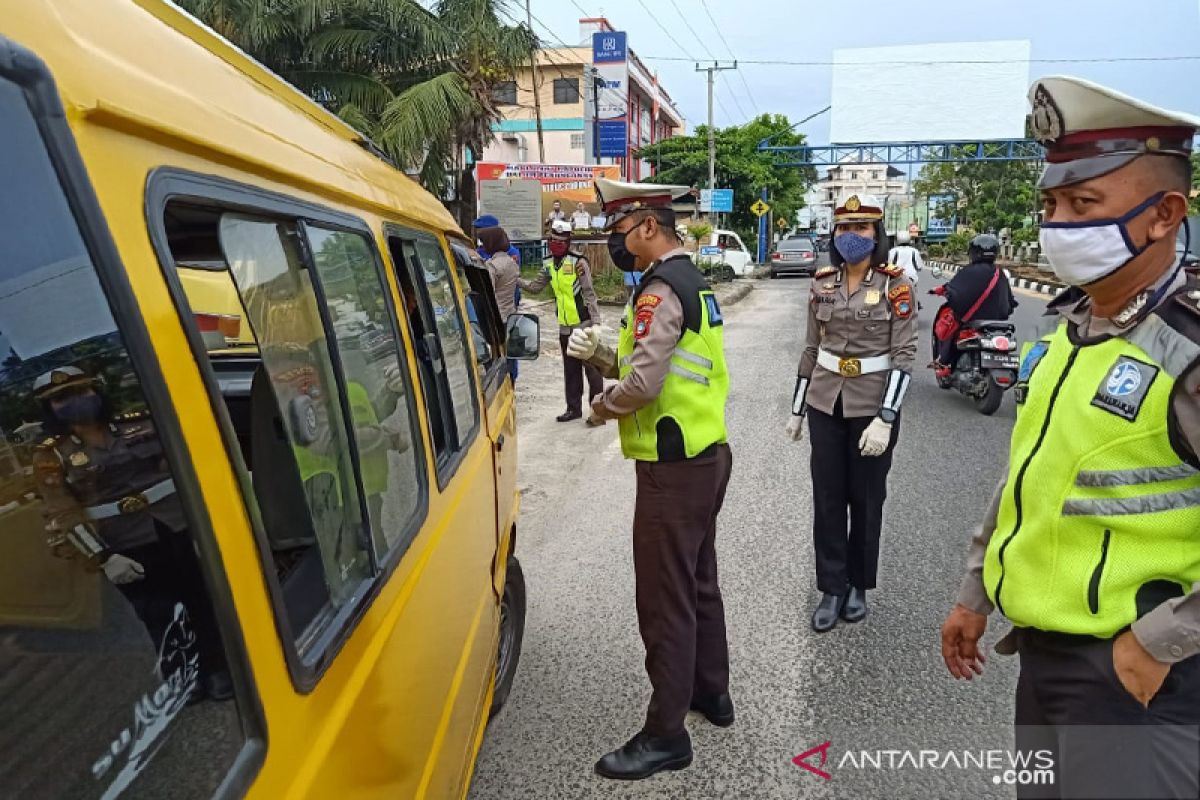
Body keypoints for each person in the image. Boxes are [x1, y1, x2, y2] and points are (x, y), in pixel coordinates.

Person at [940, 76, 1200, 799]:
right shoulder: (1071, 333)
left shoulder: (1187, 348)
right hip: (1045, 663)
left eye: (1084, 205)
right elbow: (1028, 474)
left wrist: (1158, 645)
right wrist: (975, 592)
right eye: (1052, 205)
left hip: (1138, 678)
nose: (1059, 225)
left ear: (1164, 215)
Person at [568, 177, 733, 780]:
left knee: (665, 600)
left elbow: (644, 386)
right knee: (698, 583)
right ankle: (710, 693)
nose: (614, 241)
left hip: (673, 469)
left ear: (646, 226)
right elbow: (670, 367)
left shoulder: (658, 291)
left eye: (618, 229)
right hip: (708, 453)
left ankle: (666, 734)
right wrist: (604, 355)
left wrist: (599, 405)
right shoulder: (695, 282)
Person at [30, 366, 233, 701]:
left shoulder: (140, 423)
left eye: (82, 392)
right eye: (61, 399)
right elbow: (62, 512)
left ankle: (218, 668)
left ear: (97, 391)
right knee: (158, 615)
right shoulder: (51, 454)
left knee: (200, 599)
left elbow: (185, 469)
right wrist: (103, 558)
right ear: (49, 409)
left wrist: (206, 523)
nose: (76, 401)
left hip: (175, 526)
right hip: (123, 544)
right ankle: (184, 677)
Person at [784, 194, 918, 633]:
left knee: (865, 498)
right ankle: (832, 586)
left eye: (861, 229)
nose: (851, 236)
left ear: (877, 235)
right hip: (826, 402)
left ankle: (859, 583)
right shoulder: (821, 283)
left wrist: (886, 416)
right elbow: (810, 347)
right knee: (827, 499)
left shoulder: (896, 286)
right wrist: (797, 409)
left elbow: (904, 355)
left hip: (870, 406)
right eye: (844, 228)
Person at [520, 219, 604, 425]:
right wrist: (515, 278)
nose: (556, 243)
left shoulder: (578, 262)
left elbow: (589, 293)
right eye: (553, 239)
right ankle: (573, 409)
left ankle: (599, 410)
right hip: (564, 327)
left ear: (568, 241)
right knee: (570, 370)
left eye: (561, 240)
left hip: (582, 325)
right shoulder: (548, 263)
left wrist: (596, 322)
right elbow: (535, 287)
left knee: (592, 369)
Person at [929, 233, 1017, 376]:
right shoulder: (999, 273)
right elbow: (1009, 299)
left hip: (973, 319)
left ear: (974, 252)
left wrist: (944, 290)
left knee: (950, 327)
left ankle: (944, 363)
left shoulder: (969, 271)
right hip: (997, 320)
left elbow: (956, 291)